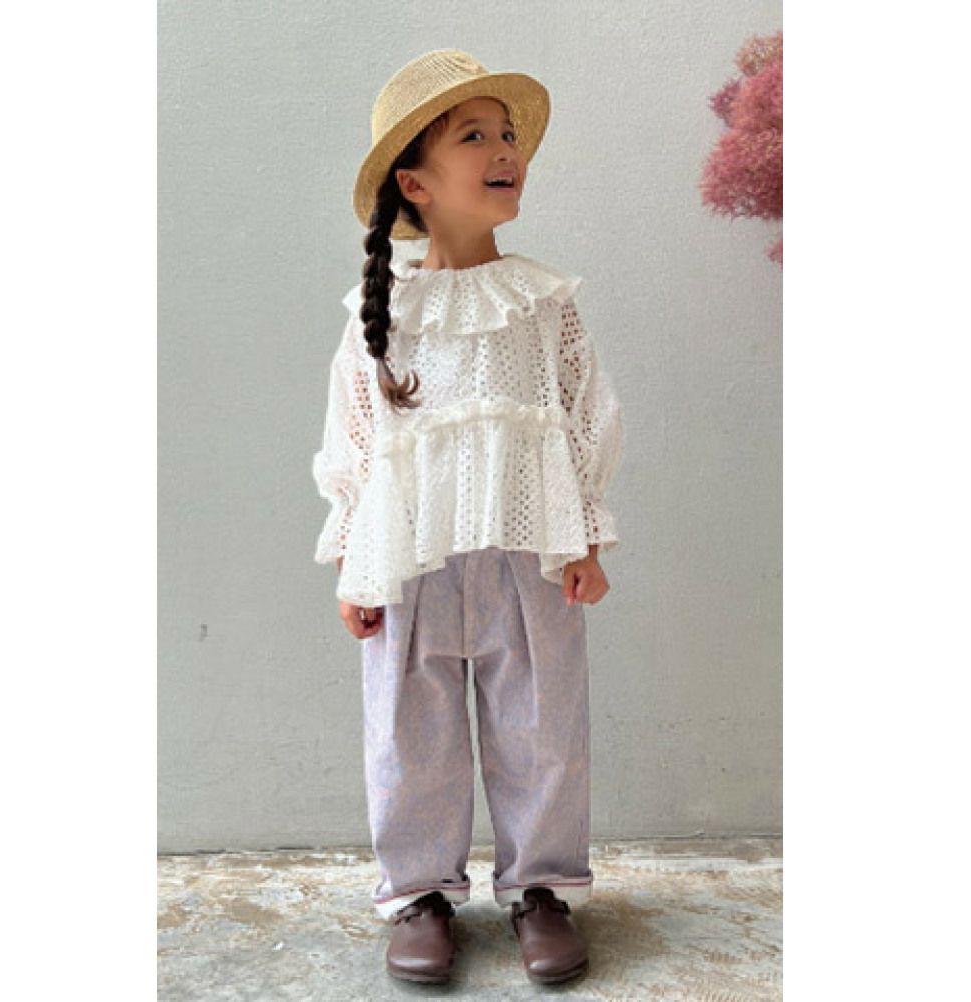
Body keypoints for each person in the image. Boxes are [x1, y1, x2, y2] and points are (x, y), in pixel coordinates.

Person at [312, 49, 624, 986]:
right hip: (409, 559)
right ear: (416, 182)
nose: (506, 151)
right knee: (410, 735)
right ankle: (419, 893)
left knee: (543, 728)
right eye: (476, 136)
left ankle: (541, 887)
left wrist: (586, 536)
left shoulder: (544, 304)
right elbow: (355, 440)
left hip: (528, 553)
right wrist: (353, 559)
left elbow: (585, 416)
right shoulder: (382, 314)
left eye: (510, 135)